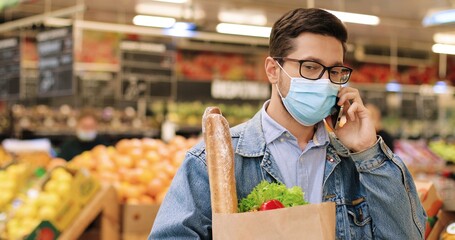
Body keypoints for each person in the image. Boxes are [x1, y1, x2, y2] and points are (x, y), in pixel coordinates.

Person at [150, 8, 426, 239]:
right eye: (310, 67)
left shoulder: (356, 162)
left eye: (335, 71)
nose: (324, 81)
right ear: (273, 70)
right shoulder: (213, 161)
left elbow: (407, 235)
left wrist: (367, 152)